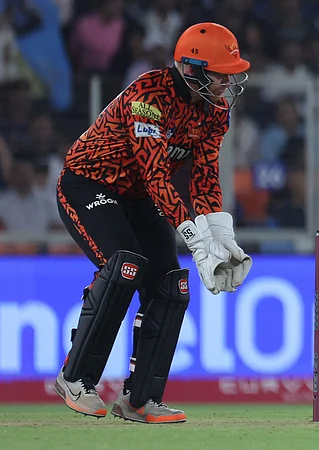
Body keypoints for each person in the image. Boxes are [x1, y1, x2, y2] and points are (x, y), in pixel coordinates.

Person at [53, 22, 252, 424]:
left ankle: (139, 399)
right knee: (125, 266)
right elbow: (155, 173)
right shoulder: (149, 95)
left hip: (138, 198)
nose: (227, 83)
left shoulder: (214, 111)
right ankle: (76, 378)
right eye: (220, 74)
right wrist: (195, 239)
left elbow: (204, 176)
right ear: (192, 69)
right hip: (88, 183)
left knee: (172, 285)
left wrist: (220, 234)